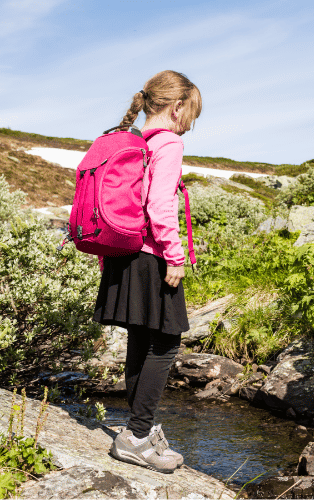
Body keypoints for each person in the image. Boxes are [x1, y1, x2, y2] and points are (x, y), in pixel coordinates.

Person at [93, 70, 201, 472]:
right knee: (166, 344)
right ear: (176, 107)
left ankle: (140, 430)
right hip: (152, 256)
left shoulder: (132, 140)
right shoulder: (169, 143)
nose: (190, 122)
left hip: (124, 254)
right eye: (191, 113)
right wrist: (175, 255)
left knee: (141, 341)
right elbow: (158, 205)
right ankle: (138, 437)